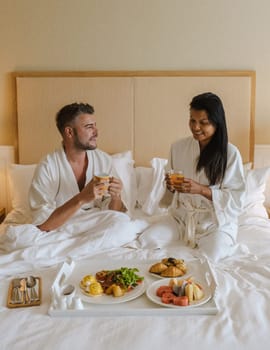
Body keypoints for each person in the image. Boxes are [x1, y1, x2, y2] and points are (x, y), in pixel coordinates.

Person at [163, 92, 246, 262]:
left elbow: (237, 199)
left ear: (217, 123)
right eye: (192, 120)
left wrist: (201, 190)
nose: (195, 127)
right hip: (182, 219)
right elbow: (168, 194)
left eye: (203, 122)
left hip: (215, 224)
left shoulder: (230, 154)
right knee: (149, 240)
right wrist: (170, 187)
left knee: (211, 256)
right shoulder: (177, 148)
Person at [29, 102, 126, 232]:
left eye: (95, 126)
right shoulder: (47, 167)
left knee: (124, 224)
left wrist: (116, 197)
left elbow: (115, 213)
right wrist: (81, 199)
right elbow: (43, 225)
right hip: (61, 228)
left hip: (95, 225)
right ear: (69, 132)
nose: (96, 132)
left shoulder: (103, 160)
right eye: (89, 127)